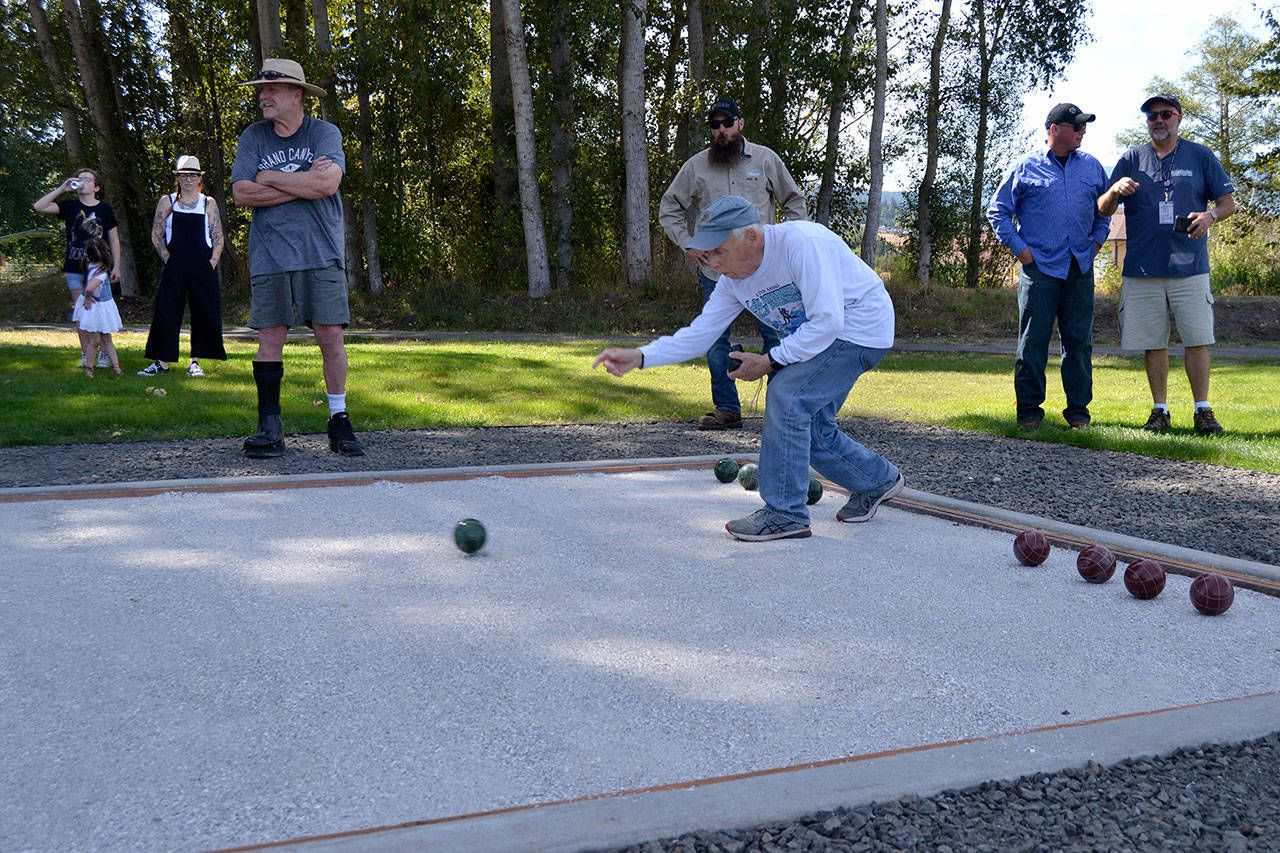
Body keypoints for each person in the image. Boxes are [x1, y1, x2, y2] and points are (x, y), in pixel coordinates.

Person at [594, 195, 903, 542]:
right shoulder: (733, 281)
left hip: (860, 329)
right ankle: (876, 480)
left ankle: (786, 514)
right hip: (823, 336)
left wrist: (770, 361)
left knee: (787, 397)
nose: (711, 262)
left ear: (752, 238)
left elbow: (828, 321)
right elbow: (701, 334)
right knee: (806, 426)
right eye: (706, 253)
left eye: (719, 251)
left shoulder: (802, 244)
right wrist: (640, 356)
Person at [231, 58, 364, 458]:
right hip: (269, 253)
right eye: (261, 90)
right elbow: (241, 193)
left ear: (297, 95)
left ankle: (338, 420)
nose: (263, 96)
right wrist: (303, 183)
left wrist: (269, 177)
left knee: (331, 337)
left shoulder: (324, 133)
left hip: (320, 250)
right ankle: (269, 426)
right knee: (270, 337)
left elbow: (327, 183)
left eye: (272, 90)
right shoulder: (253, 138)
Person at [658, 98, 808, 431]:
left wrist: (788, 245)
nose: (721, 129)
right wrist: (689, 244)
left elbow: (794, 202)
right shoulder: (696, 167)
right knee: (715, 340)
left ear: (741, 124)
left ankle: (781, 412)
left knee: (778, 339)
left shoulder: (766, 160)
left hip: (767, 273)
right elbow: (669, 208)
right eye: (715, 124)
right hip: (717, 273)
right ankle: (727, 409)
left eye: (728, 123)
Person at [1098, 94, 1236, 435]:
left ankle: (1202, 410)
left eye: (1165, 114)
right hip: (1142, 267)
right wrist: (1114, 190)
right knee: (1153, 342)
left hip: (1190, 265)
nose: (1157, 120)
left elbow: (1228, 203)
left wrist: (1210, 215)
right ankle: (1160, 411)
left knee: (1197, 338)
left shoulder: (1200, 156)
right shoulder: (1131, 159)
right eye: (1151, 116)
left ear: (1177, 118)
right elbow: (1101, 208)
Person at [988, 103, 1111, 431]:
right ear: (1056, 129)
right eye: (1078, 127)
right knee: (1032, 341)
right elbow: (997, 211)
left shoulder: (1093, 168)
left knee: (1079, 343)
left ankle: (1079, 413)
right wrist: (1022, 252)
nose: (1083, 132)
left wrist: (1096, 244)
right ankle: (1029, 412)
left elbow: (1105, 213)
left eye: (1084, 126)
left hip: (1079, 267)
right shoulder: (1026, 167)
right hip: (1039, 269)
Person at [139, 155, 228, 378]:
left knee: (202, 314)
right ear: (177, 178)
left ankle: (195, 362)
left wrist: (211, 263)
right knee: (166, 312)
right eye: (183, 175)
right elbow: (156, 234)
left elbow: (218, 236)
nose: (188, 179)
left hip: (203, 268)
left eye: (193, 175)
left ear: (199, 178)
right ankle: (161, 362)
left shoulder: (208, 203)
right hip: (174, 268)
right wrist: (168, 259)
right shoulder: (166, 201)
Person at [31, 168, 122, 369]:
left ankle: (105, 355)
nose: (82, 182)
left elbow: (114, 239)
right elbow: (39, 206)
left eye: (87, 180)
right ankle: (86, 353)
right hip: (74, 267)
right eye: (79, 179)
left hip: (98, 269)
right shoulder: (69, 206)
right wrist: (62, 188)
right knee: (82, 312)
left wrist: (117, 266)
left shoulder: (105, 209)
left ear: (96, 187)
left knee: (101, 310)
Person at [73, 237, 123, 377]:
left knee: (96, 340)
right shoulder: (100, 273)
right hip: (97, 310)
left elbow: (88, 288)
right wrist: (88, 297)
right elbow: (90, 288)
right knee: (102, 340)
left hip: (98, 310)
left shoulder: (90, 266)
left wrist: (88, 296)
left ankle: (110, 367)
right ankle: (98, 368)